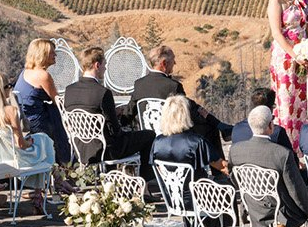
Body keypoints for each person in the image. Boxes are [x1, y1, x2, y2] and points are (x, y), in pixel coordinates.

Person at [61, 45, 154, 173]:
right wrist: (119, 120)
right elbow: (115, 130)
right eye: (104, 65)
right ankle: (146, 182)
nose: (105, 68)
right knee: (148, 135)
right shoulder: (102, 92)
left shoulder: (69, 90)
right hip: (104, 151)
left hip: (81, 150)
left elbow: (85, 115)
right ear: (97, 65)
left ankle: (110, 177)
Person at [228, 105, 308, 227]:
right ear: (270, 125)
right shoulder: (282, 154)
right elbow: (296, 191)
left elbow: (234, 179)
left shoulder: (235, 150)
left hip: (253, 208)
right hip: (280, 211)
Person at [0, 73, 52, 214]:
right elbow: (20, 144)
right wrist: (29, 142)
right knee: (44, 140)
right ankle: (45, 189)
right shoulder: (10, 111)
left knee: (41, 144)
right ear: (1, 90)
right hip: (17, 161)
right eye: (8, 86)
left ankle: (43, 189)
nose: (11, 89)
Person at [133, 45, 225, 161]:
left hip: (149, 135)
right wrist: (206, 119)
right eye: (173, 60)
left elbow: (130, 111)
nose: (175, 63)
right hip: (172, 136)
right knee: (209, 128)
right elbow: (187, 113)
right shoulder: (173, 86)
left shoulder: (139, 84)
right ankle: (220, 173)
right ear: (164, 63)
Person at [267, 0, 308, 149]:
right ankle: (287, 144)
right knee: (287, 101)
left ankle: (302, 143)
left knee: (302, 100)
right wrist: (295, 54)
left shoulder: (302, 0)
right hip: (285, 57)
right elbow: (277, 33)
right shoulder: (276, 1)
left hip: (302, 55)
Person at [13, 39, 69, 168]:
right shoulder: (43, 75)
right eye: (52, 52)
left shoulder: (25, 72)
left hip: (26, 119)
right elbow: (57, 101)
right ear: (43, 54)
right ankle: (65, 166)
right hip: (38, 122)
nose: (55, 55)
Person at [151, 95, 227, 183]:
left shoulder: (157, 143)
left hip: (171, 195)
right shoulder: (195, 142)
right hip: (198, 192)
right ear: (186, 115)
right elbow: (223, 167)